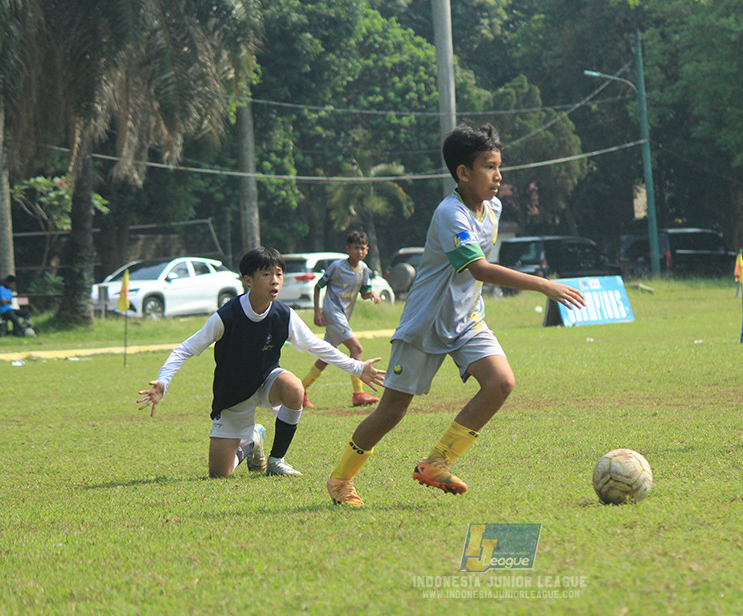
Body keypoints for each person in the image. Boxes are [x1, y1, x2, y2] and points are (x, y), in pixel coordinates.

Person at [325, 122, 586, 507]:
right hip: (425, 323)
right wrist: (544, 284)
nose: (498, 176)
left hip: (467, 320)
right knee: (391, 412)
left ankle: (437, 461)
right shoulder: (451, 214)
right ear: (463, 173)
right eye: (489, 167)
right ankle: (340, 479)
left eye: (499, 166)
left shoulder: (493, 207)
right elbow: (478, 269)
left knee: (500, 383)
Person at [136, 247, 385, 478]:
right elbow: (185, 349)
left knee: (295, 388)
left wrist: (358, 367)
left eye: (278, 273)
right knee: (219, 474)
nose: (275, 280)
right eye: (266, 274)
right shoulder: (227, 316)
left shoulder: (284, 314)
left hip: (268, 381)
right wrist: (163, 382)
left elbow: (316, 345)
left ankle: (276, 460)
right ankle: (253, 439)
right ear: (249, 280)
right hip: (233, 393)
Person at [300, 231, 382, 409]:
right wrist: (317, 312)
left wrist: (372, 294)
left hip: (343, 316)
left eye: (362, 248)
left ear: (367, 250)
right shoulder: (336, 267)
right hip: (332, 313)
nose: (359, 251)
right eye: (355, 248)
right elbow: (317, 286)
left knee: (326, 356)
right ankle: (358, 394)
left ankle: (300, 390)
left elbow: (364, 292)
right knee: (356, 348)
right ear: (348, 249)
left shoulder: (363, 270)